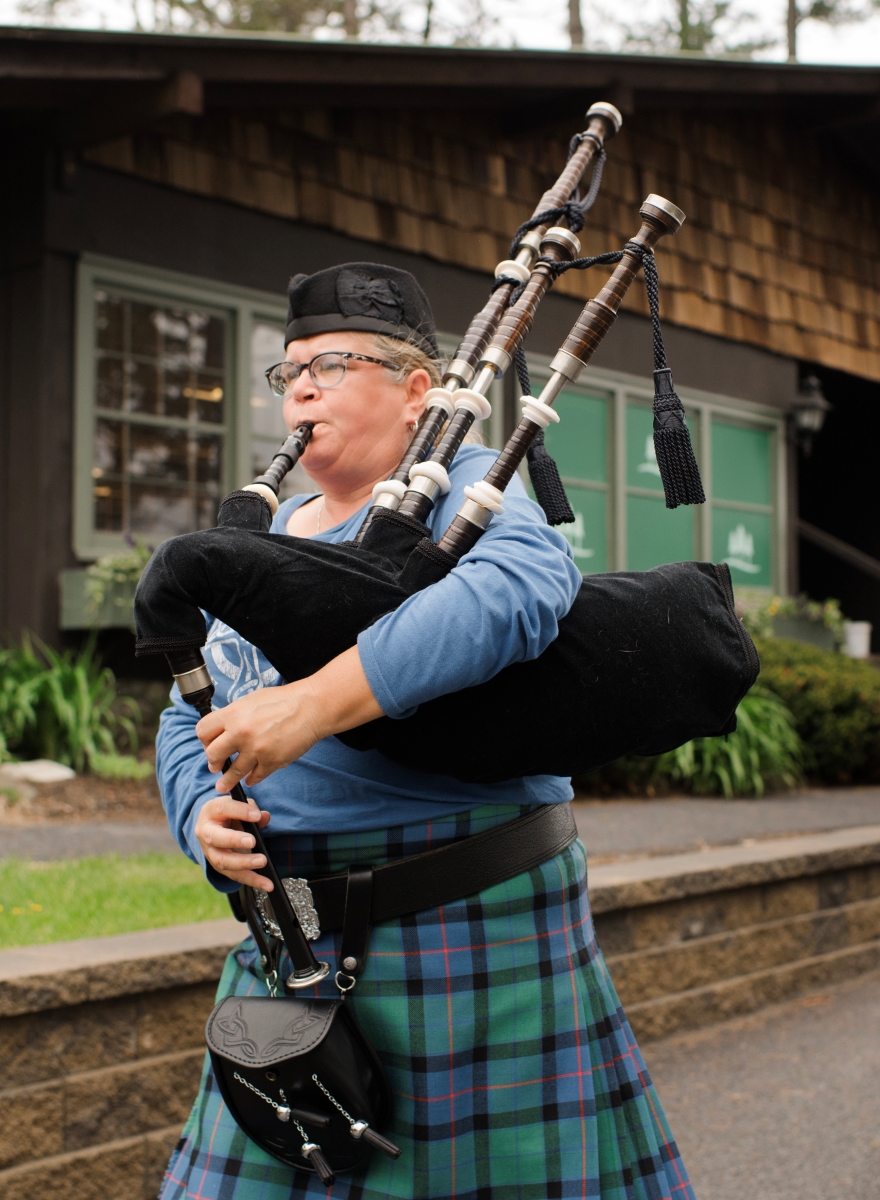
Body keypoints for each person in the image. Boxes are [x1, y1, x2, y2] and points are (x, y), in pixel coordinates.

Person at [153, 263, 694, 1199]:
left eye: (332, 363)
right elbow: (185, 700)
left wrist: (316, 702)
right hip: (292, 940)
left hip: (461, 920)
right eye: (290, 374)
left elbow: (522, 590)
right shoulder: (268, 530)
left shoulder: (467, 485)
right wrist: (198, 808)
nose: (303, 388)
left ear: (416, 392)